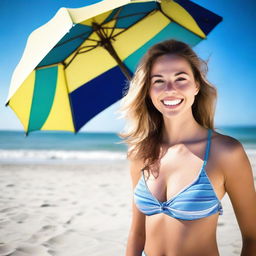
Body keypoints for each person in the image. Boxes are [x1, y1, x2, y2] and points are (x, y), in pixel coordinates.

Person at [117, 39, 256, 256]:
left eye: (180, 79)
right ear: (148, 90)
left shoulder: (226, 152)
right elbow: (137, 234)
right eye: (158, 81)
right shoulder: (140, 153)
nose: (170, 89)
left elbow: (252, 237)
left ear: (196, 86)